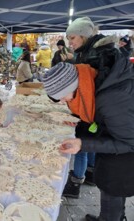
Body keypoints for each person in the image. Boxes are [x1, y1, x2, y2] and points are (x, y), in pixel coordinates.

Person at [42, 60, 134, 221]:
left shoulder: (111, 99)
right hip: (116, 148)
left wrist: (83, 144)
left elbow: (129, 143)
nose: (63, 102)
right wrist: (80, 120)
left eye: (62, 97)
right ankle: (116, 217)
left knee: (113, 190)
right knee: (112, 191)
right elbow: (102, 120)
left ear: (73, 87)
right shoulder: (92, 85)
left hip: (125, 157)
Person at [61, 16, 117, 198]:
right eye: (68, 38)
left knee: (82, 145)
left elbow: (87, 92)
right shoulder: (93, 51)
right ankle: (90, 174)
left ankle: (76, 181)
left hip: (94, 111)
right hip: (97, 112)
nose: (70, 42)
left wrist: (77, 114)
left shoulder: (96, 55)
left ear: (84, 36)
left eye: (73, 38)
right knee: (92, 141)